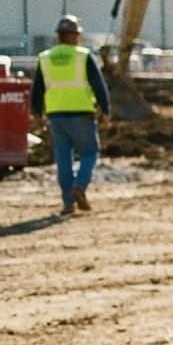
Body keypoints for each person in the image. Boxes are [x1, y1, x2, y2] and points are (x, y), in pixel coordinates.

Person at [30, 14, 110, 215]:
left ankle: (68, 203)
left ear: (58, 36)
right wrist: (105, 110)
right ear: (76, 35)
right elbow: (99, 85)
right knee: (90, 152)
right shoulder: (83, 56)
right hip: (81, 113)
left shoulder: (45, 57)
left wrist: (36, 113)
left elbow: (37, 88)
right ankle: (80, 186)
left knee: (63, 158)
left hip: (56, 115)